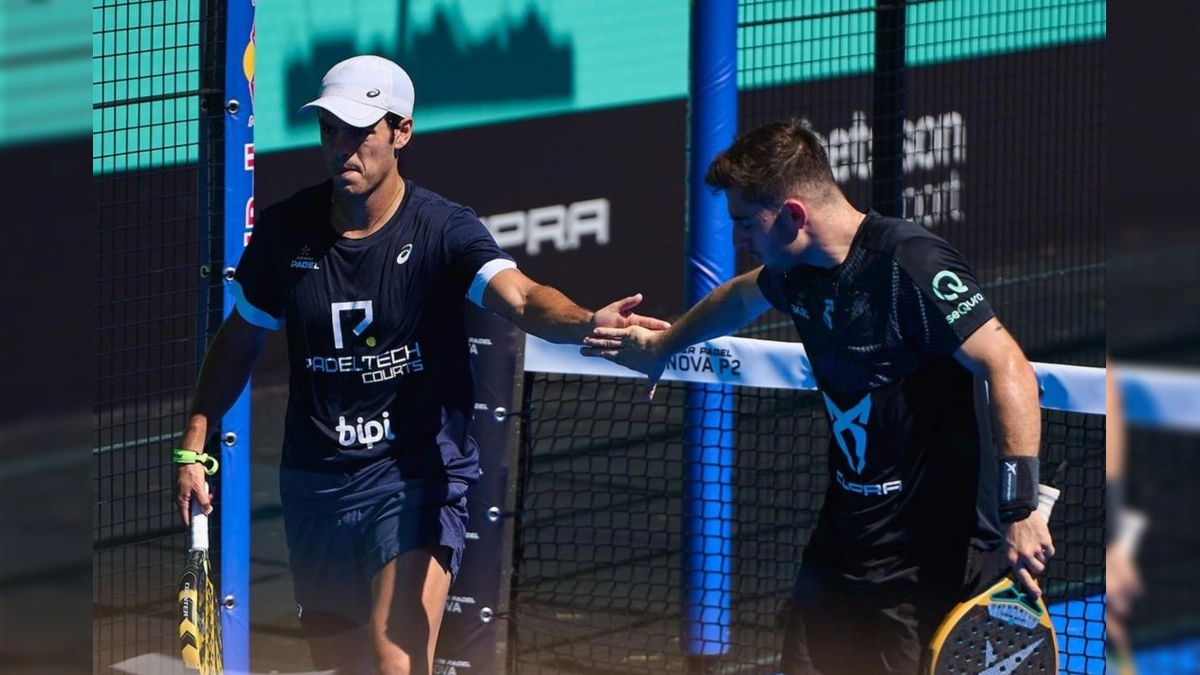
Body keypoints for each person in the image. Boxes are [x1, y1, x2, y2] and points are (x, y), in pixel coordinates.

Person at [173, 55, 668, 675]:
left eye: (359, 131)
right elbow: (241, 339)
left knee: (395, 656)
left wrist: (587, 320)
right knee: (342, 665)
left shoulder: (443, 230)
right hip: (315, 483)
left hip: (413, 479)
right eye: (330, 129)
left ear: (401, 132)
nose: (340, 147)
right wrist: (195, 441)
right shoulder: (282, 233)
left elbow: (521, 296)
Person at [582, 119, 1055, 674]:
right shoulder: (799, 269)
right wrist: (665, 342)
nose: (739, 239)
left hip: (927, 560)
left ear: (793, 216)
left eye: (744, 224)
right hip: (843, 543)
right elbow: (740, 297)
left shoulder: (909, 265)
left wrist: (1020, 507)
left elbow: (1009, 366)